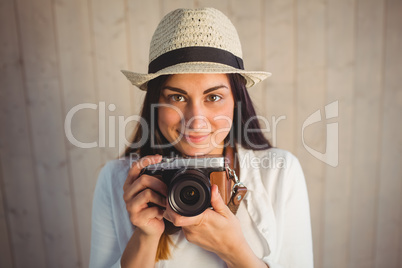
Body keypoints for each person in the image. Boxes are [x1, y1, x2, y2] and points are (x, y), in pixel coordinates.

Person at [89, 7, 313, 268]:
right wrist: (146, 235)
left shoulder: (279, 172)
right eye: (177, 97)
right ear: (155, 104)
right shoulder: (117, 180)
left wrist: (235, 251)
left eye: (213, 97)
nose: (195, 119)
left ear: (236, 102)